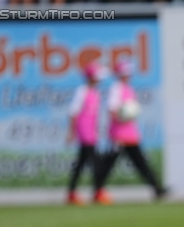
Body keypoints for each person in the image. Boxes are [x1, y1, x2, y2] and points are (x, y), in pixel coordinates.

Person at [98, 59, 167, 201]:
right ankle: (98, 190)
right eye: (125, 73)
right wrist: (123, 115)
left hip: (130, 134)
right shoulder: (116, 88)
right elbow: (112, 110)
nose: (128, 75)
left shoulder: (128, 88)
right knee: (108, 164)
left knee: (141, 163)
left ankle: (157, 189)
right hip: (118, 135)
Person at [66, 61, 111, 206]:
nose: (99, 79)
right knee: (96, 163)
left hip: (92, 132)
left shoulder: (95, 93)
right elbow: (73, 112)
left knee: (81, 163)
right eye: (97, 76)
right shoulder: (82, 91)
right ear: (91, 77)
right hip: (84, 132)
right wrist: (72, 132)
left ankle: (72, 193)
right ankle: (98, 192)